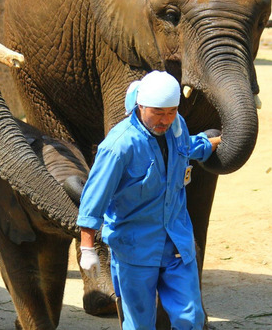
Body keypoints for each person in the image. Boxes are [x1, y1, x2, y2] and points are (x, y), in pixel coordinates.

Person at [77, 71, 221, 330]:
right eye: (157, 112)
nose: (165, 120)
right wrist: (87, 247)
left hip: (176, 242)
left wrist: (212, 144)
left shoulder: (177, 127)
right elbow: (94, 196)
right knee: (140, 323)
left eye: (171, 111)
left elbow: (184, 148)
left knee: (191, 318)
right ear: (140, 105)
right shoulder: (119, 146)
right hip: (135, 250)